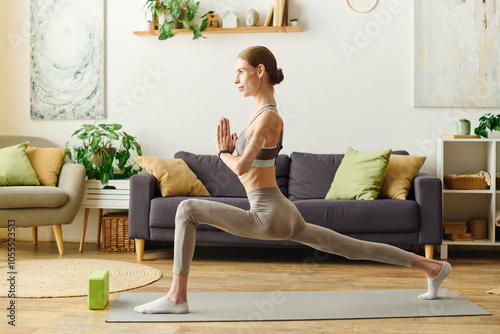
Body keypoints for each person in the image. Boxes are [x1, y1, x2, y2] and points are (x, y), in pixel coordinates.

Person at [134, 46, 451, 314]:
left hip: (267, 214)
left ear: (260, 71)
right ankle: (432, 268)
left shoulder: (269, 117)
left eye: (241, 72)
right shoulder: (259, 114)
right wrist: (231, 149)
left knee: (186, 209)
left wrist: (222, 152)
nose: (235, 79)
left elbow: (242, 167)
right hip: (281, 210)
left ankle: (177, 297)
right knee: (353, 247)